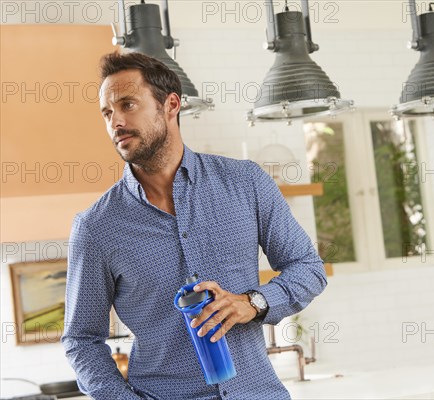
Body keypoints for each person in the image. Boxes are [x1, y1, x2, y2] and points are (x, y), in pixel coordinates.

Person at [61, 52, 327, 400]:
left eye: (128, 105)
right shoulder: (97, 227)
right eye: (107, 113)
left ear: (171, 105)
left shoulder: (246, 183)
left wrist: (254, 302)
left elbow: (308, 268)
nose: (116, 122)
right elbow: (81, 339)